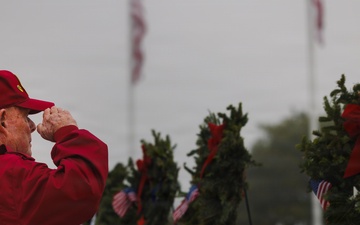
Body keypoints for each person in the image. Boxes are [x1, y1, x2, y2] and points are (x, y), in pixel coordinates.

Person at [0, 70, 108, 225]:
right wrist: (67, 132)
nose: (31, 126)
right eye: (25, 116)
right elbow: (83, 188)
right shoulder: (9, 173)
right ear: (3, 121)